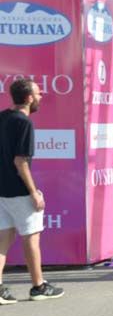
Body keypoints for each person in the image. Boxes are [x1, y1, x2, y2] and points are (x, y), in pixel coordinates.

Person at [0, 79, 64, 302]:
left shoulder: (2, 117)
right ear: (28, 98)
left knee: (2, 240)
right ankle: (38, 286)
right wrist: (34, 192)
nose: (41, 97)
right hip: (19, 191)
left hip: (1, 190)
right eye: (38, 93)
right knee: (31, 238)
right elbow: (21, 162)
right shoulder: (24, 123)